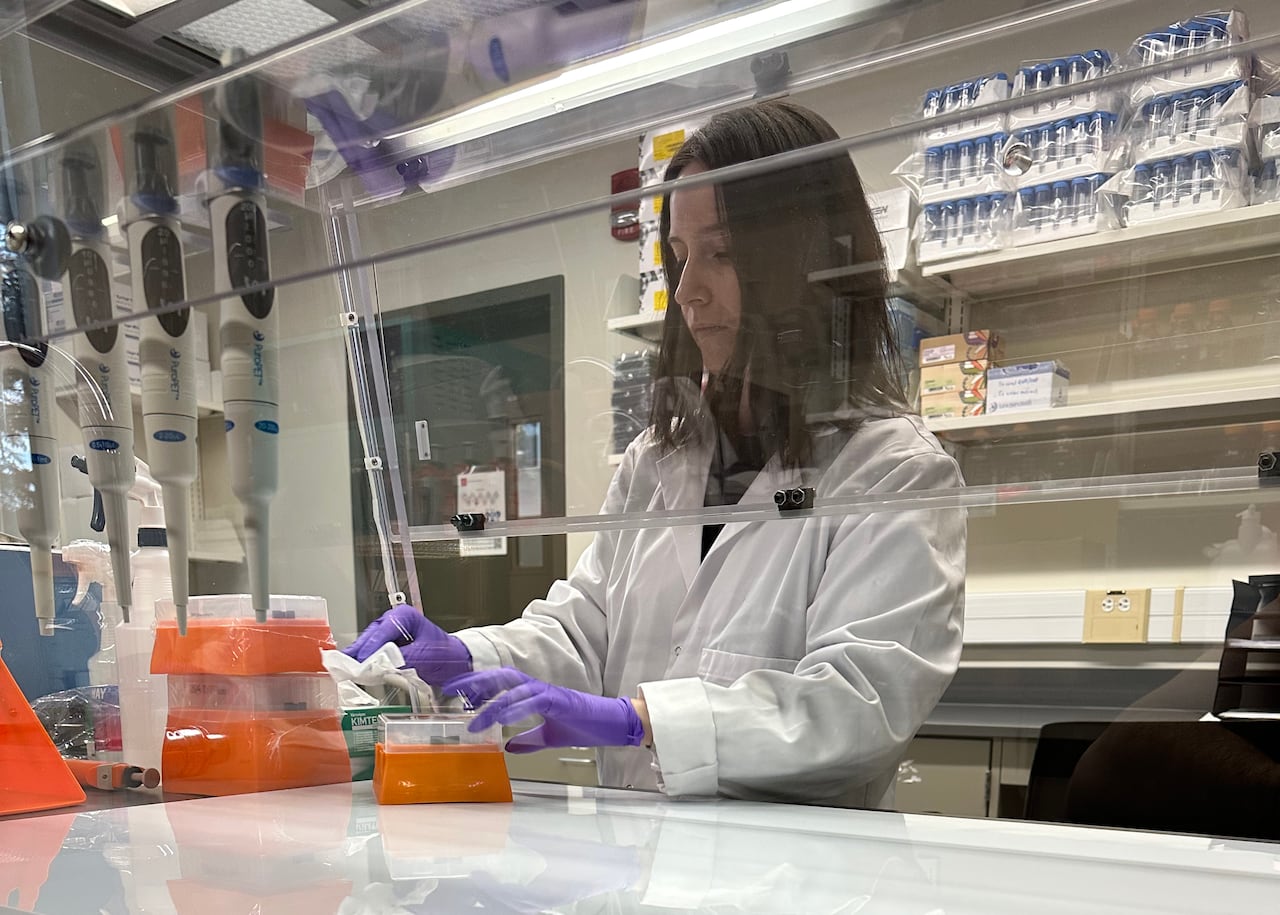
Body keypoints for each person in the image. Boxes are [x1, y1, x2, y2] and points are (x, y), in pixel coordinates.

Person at [345, 100, 965, 808]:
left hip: (793, 865)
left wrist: (640, 720)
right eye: (680, 255)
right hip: (637, 855)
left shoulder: (894, 470)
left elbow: (858, 706)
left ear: (807, 264)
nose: (689, 291)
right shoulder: (658, 460)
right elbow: (585, 628)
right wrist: (464, 656)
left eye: (724, 254)